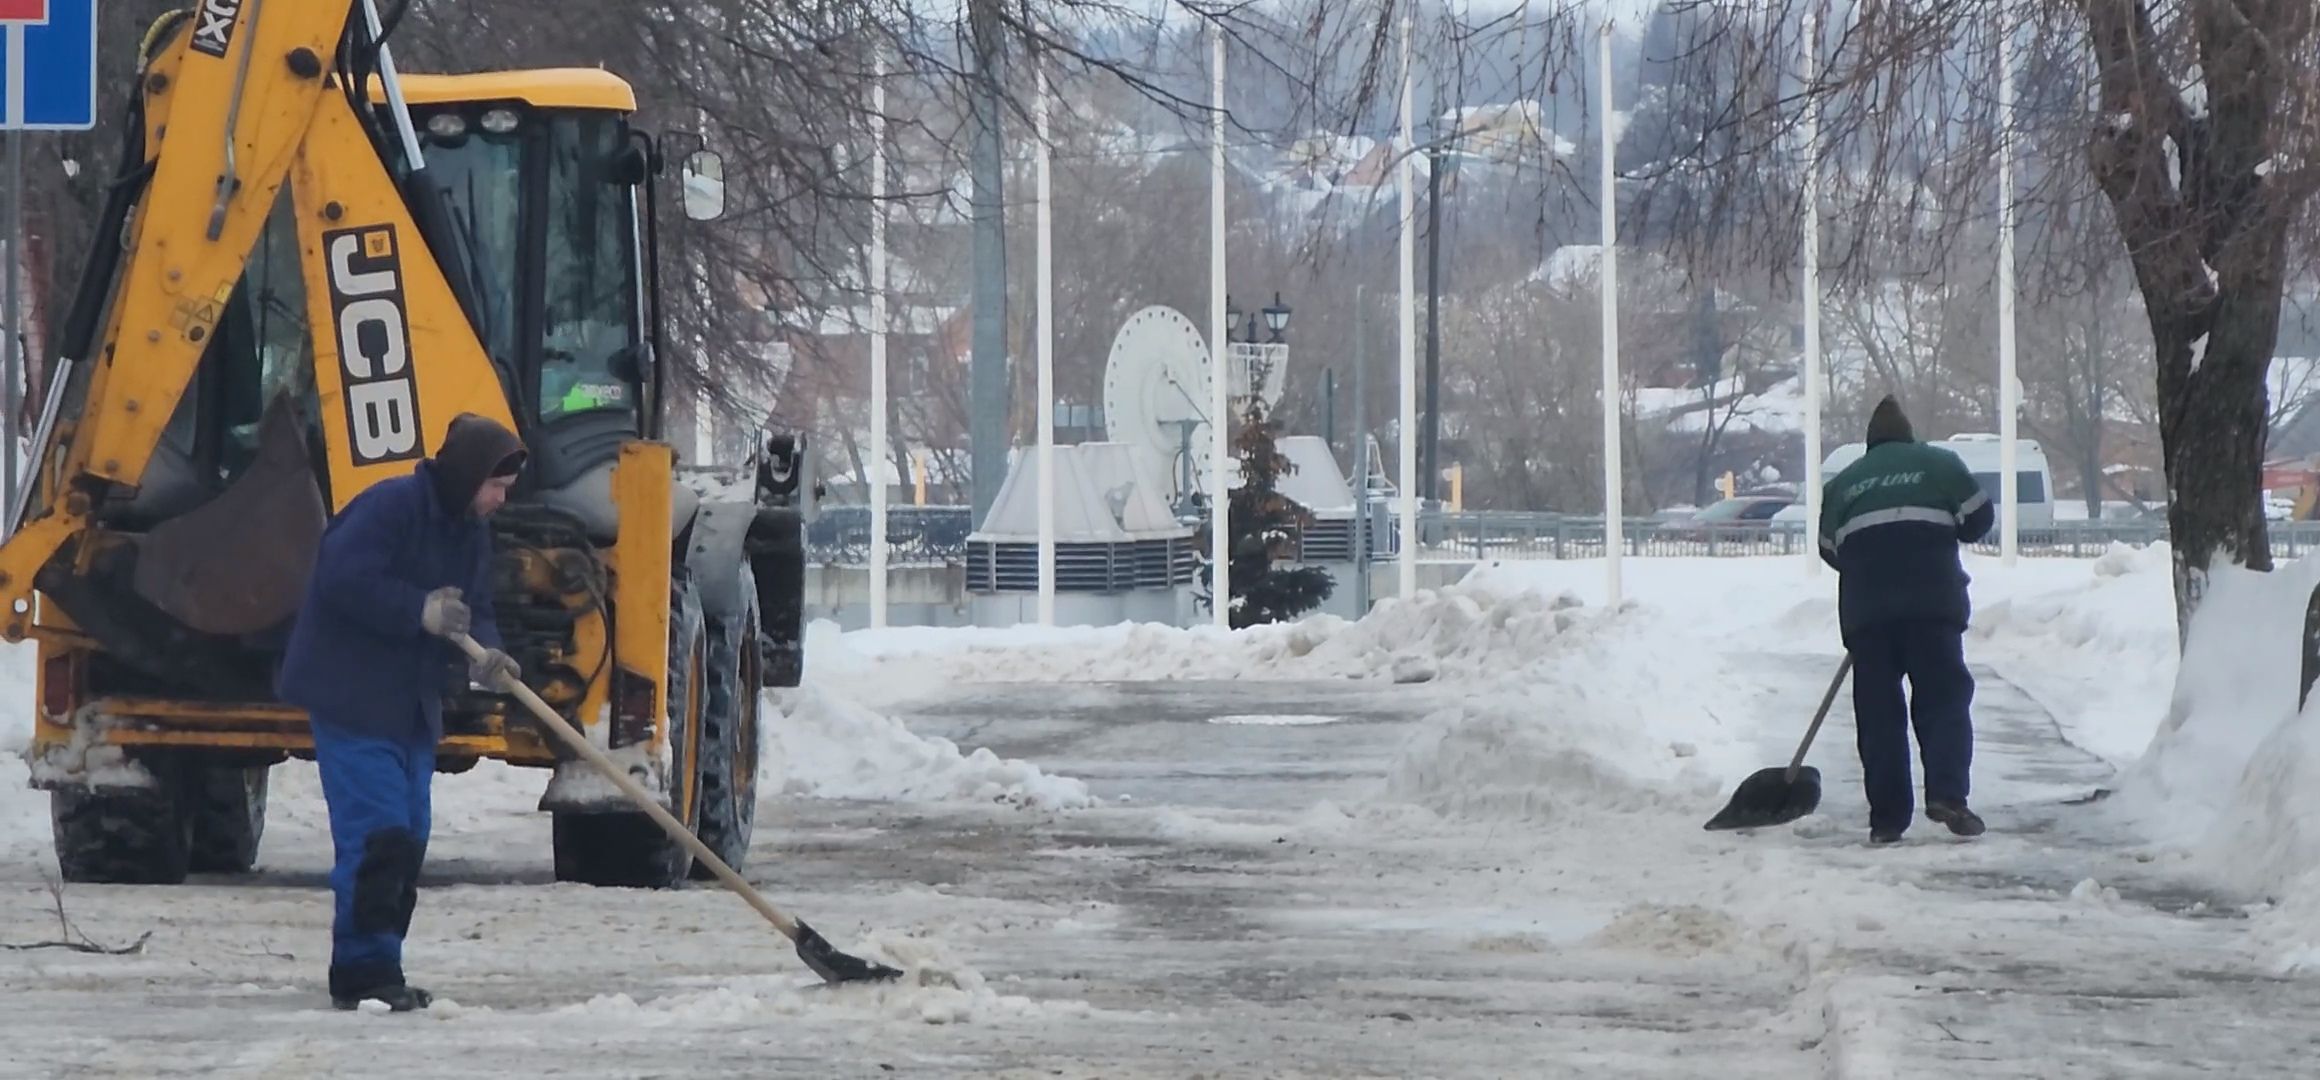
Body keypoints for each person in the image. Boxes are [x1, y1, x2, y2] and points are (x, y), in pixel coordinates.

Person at [277, 413, 527, 1011]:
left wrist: (488, 653)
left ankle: (381, 964)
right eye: (495, 486)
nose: (499, 500)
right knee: (378, 835)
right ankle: (362, 972)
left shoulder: (469, 530)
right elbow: (342, 575)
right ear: (468, 475)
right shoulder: (390, 507)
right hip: (354, 696)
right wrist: (416, 609)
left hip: (411, 706)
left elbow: (477, 606)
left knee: (409, 838)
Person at [1817, 395, 1995, 845]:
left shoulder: (1842, 485)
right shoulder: (1940, 464)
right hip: (1932, 607)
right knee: (1943, 699)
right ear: (1908, 434)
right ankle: (1949, 796)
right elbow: (1978, 519)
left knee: (1878, 715)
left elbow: (1829, 550)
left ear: (1870, 442)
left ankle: (1888, 819)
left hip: (1868, 615)